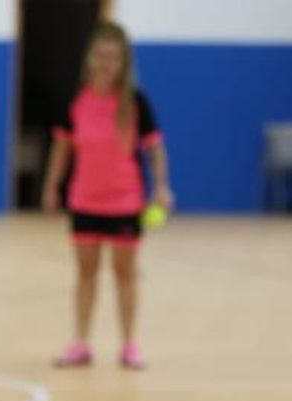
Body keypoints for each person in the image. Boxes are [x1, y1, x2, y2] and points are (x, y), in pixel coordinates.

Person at [41, 21, 172, 371]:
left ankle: (129, 345)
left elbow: (155, 148)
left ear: (123, 61)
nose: (106, 64)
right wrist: (52, 186)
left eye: (113, 57)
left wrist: (161, 186)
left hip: (125, 202)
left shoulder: (137, 103)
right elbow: (62, 148)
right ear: (90, 58)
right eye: (100, 56)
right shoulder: (77, 100)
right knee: (85, 274)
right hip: (84, 200)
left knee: (124, 275)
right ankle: (80, 343)